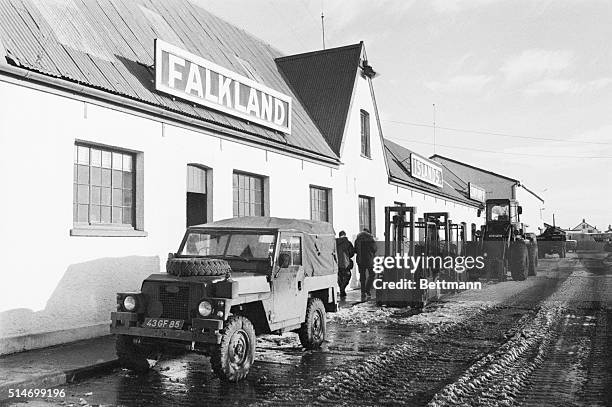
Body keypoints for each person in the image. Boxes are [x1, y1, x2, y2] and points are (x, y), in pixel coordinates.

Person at [354, 228, 377, 300]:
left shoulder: (357, 239)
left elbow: (355, 250)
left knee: (362, 276)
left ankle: (363, 292)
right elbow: (375, 249)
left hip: (360, 260)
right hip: (369, 260)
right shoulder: (371, 239)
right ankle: (367, 289)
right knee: (372, 274)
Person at [336, 231, 355, 299]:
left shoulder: (335, 242)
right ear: (345, 235)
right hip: (345, 263)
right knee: (347, 276)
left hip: (337, 263)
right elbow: (352, 253)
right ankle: (342, 289)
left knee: (340, 277)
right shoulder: (347, 243)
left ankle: (342, 290)